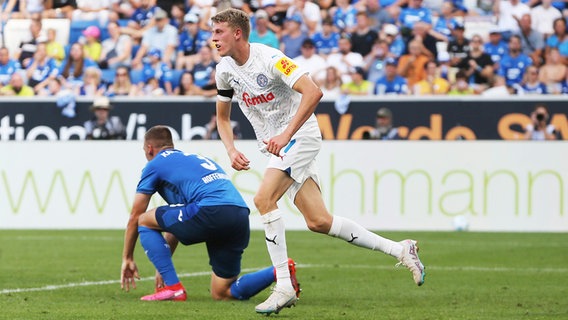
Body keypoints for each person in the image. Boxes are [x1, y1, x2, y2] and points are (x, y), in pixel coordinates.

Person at [211, 8, 426, 316]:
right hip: (278, 147)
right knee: (319, 221)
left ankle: (284, 285)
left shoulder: (271, 59)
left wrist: (285, 134)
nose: (213, 39)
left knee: (263, 199)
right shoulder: (225, 70)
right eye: (212, 32)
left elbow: (314, 92)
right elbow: (222, 117)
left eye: (218, 32)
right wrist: (231, 150)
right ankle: (402, 249)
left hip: (300, 136)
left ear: (237, 33)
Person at [119, 125, 297, 302]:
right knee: (222, 292)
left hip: (211, 210)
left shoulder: (155, 164)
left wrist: (128, 257)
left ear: (149, 149)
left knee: (144, 220)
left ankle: (175, 289)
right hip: (239, 214)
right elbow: (174, 225)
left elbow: (136, 216)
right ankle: (280, 271)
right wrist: (163, 266)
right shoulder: (193, 160)